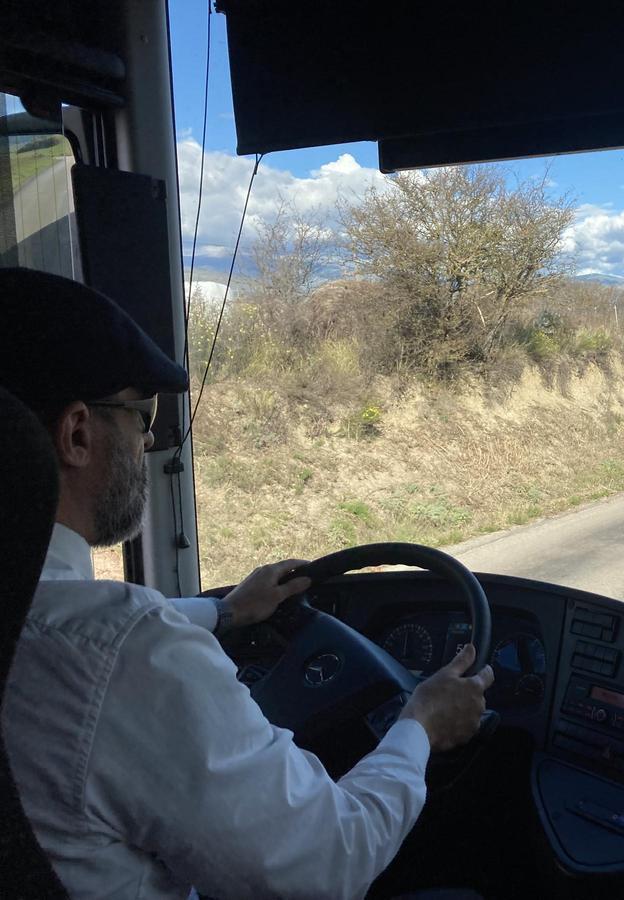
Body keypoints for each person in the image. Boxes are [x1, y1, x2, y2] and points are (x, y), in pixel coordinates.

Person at [0, 267, 494, 899]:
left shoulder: (55, 622)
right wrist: (421, 725)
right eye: (141, 413)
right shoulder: (132, 654)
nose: (151, 437)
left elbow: (65, 625)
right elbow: (328, 863)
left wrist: (226, 613)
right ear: (75, 433)